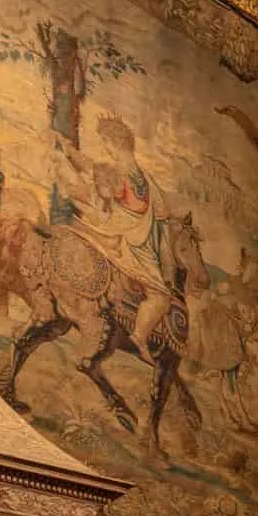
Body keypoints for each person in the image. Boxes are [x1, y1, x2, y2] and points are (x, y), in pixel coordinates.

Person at [60, 116, 175, 363]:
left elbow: (91, 168)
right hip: (126, 241)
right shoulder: (148, 183)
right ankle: (139, 337)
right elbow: (163, 225)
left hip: (127, 238)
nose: (105, 149)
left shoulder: (123, 173)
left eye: (106, 143)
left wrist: (69, 150)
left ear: (117, 143)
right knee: (161, 297)